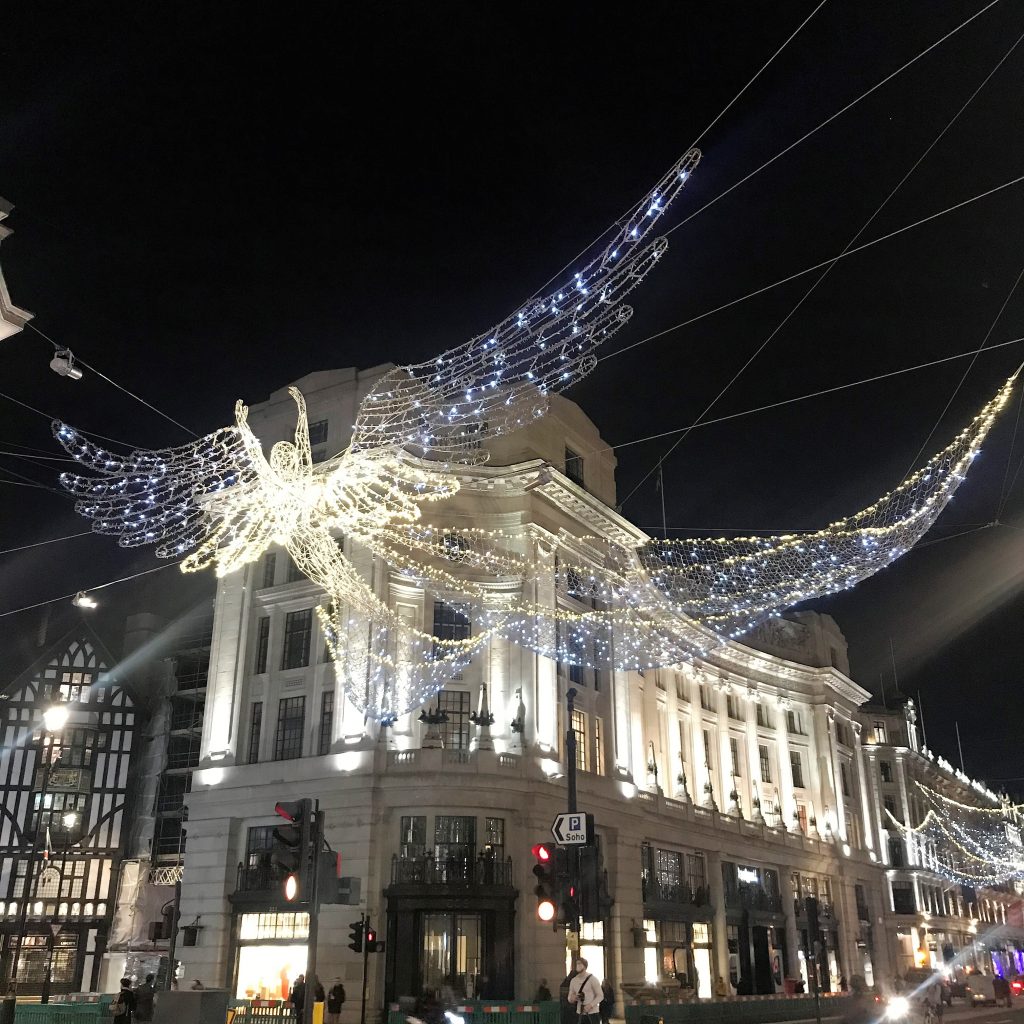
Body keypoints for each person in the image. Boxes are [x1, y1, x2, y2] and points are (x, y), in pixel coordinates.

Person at [566, 958, 603, 1024]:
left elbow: (600, 996)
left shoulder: (592, 979)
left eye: (580, 963)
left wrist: (590, 1005)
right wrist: (572, 998)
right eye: (577, 964)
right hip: (579, 1013)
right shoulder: (573, 981)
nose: (578, 965)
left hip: (592, 1013)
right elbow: (569, 996)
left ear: (585, 966)